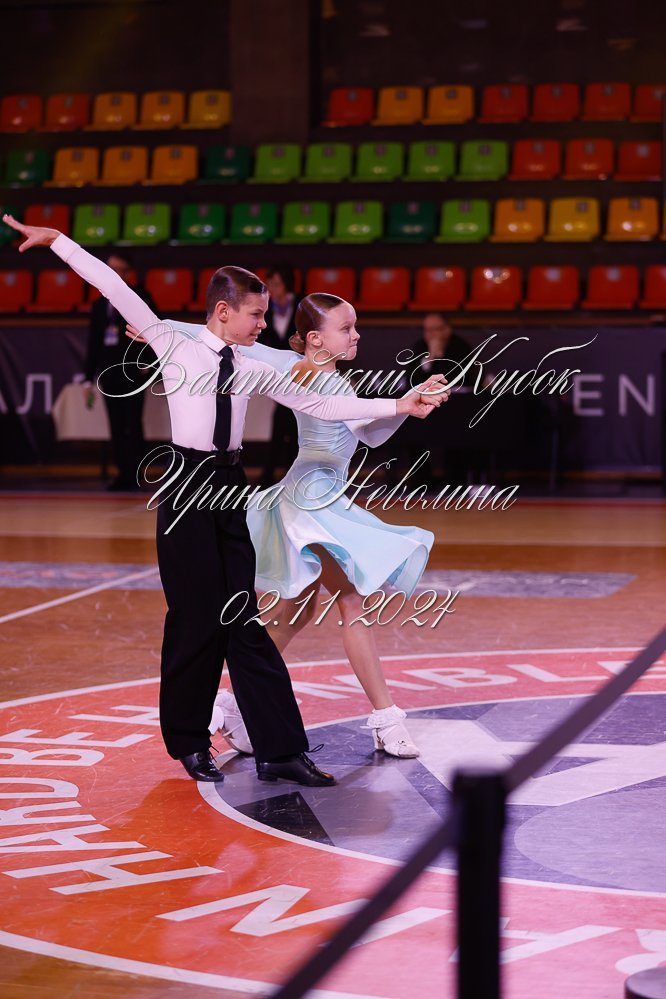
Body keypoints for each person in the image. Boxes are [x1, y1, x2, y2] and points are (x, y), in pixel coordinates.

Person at [3, 213, 446, 789]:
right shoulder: (172, 343)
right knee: (195, 620)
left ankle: (281, 751)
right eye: (256, 315)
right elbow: (112, 286)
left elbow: (324, 406)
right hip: (185, 485)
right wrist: (59, 241)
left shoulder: (255, 367)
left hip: (230, 485)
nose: (265, 323)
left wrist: (399, 406)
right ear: (223, 311)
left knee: (245, 623)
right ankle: (190, 742)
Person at [164, 295, 447, 758]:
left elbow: (368, 433)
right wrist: (160, 329)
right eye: (346, 328)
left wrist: (409, 405)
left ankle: (230, 706)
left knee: (296, 613)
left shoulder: (332, 378)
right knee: (352, 601)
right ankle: (387, 718)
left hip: (324, 500)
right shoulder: (302, 372)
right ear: (316, 338)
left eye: (355, 326)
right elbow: (225, 335)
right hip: (309, 503)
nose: (356, 335)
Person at [83, 250, 158, 491]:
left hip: (133, 372)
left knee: (133, 423)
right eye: (109, 268)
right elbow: (94, 343)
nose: (111, 273)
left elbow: (156, 330)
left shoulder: (141, 297)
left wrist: (150, 364)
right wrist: (87, 378)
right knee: (116, 425)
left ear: (127, 273)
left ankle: (136, 473)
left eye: (117, 269)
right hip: (109, 374)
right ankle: (123, 473)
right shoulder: (99, 304)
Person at [405, 313, 477, 488]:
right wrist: (430, 358)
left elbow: (460, 378)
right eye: (427, 330)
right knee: (410, 428)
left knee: (456, 432)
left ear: (447, 330)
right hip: (425, 406)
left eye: (436, 329)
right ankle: (422, 481)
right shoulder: (420, 346)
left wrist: (440, 356)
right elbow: (412, 380)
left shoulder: (460, 346)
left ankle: (455, 482)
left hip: (455, 407)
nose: (431, 334)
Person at [257, 266, 301, 487]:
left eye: (276, 284)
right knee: (284, 422)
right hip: (279, 375)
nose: (272, 289)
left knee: (292, 425)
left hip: (302, 374)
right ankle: (279, 476)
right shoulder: (265, 309)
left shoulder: (301, 306)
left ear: (287, 284)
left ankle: (279, 476)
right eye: (269, 285)